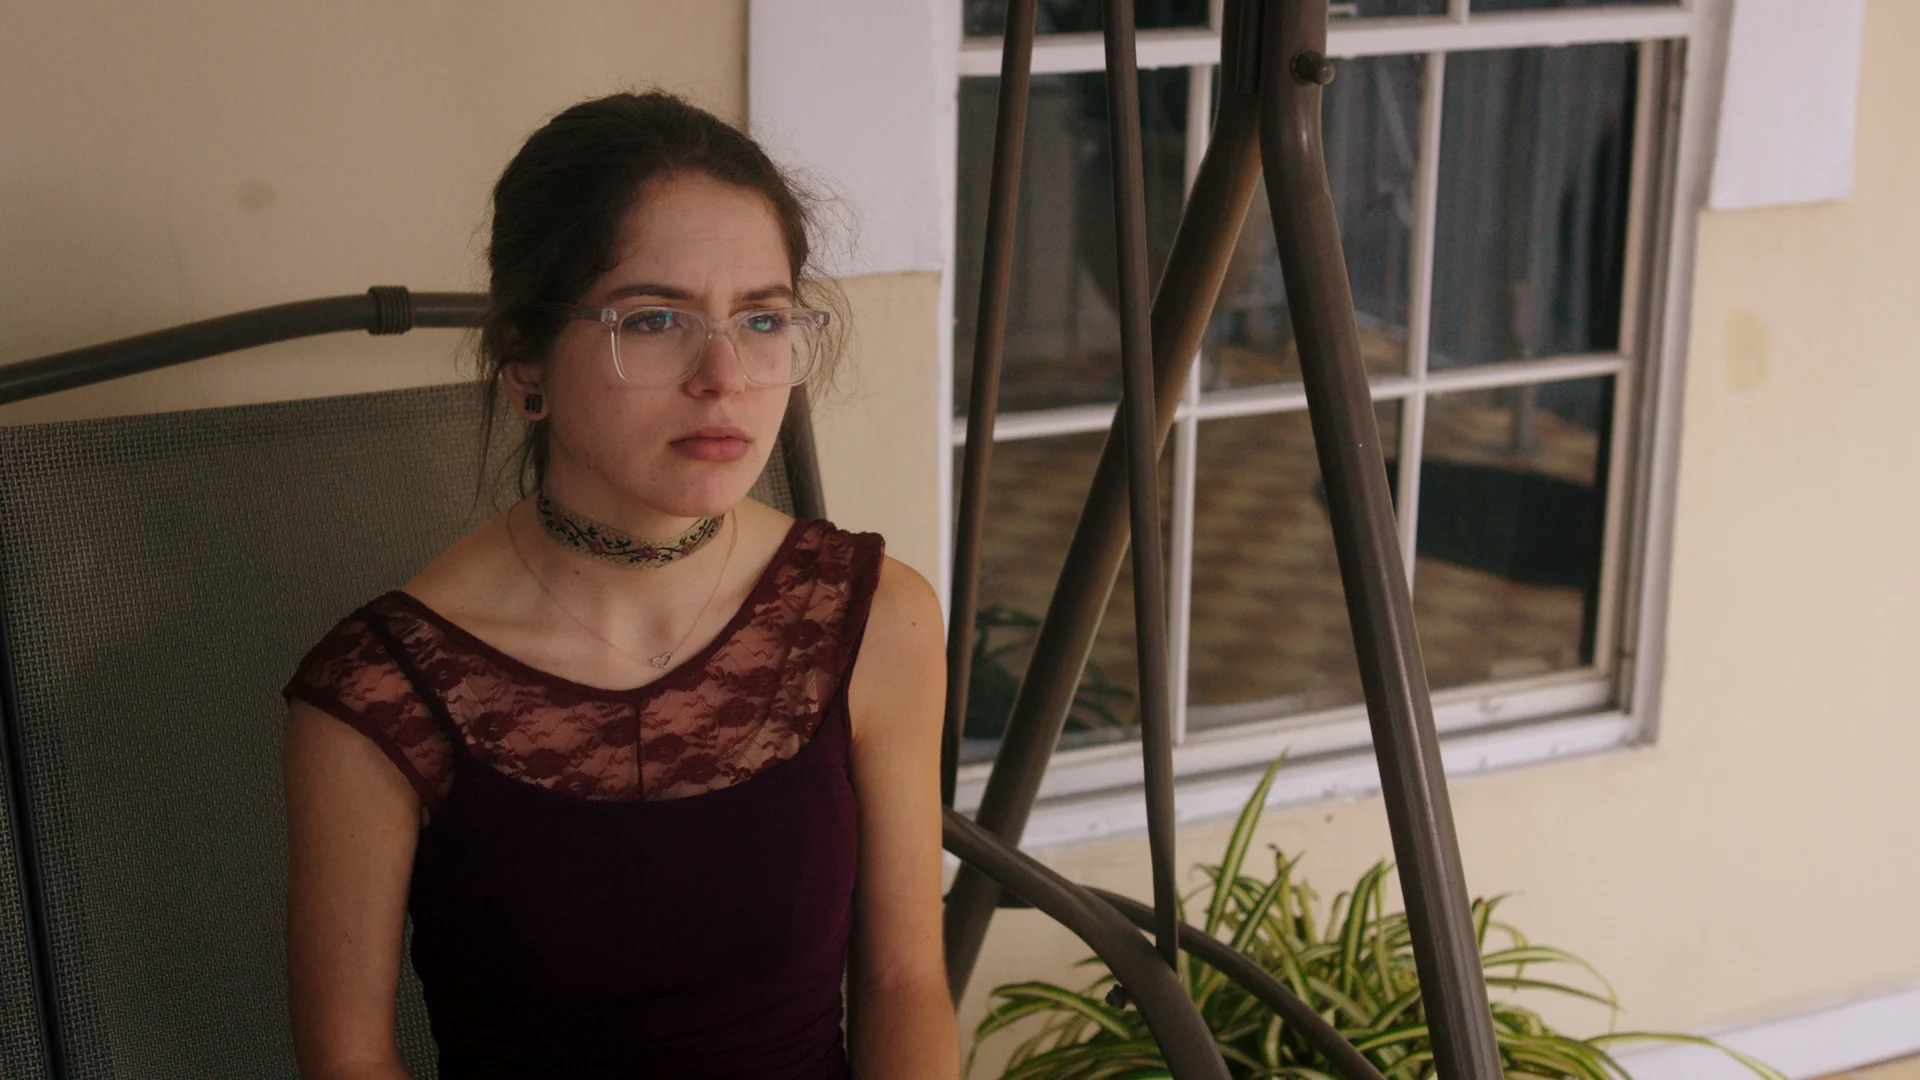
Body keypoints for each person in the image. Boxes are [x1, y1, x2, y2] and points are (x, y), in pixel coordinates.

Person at [280, 91, 958, 1080]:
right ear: (525, 365)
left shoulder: (874, 617)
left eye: (762, 318)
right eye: (654, 320)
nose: (725, 374)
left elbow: (904, 982)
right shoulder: (379, 695)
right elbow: (349, 1060)